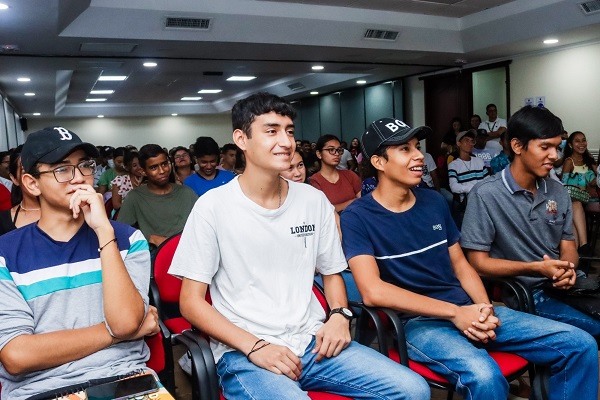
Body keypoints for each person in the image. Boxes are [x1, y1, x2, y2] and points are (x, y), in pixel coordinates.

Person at [168, 92, 430, 400]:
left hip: (312, 341)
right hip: (245, 351)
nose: (286, 141)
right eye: (271, 131)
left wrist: (339, 316)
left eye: (289, 131)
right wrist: (255, 347)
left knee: (413, 390)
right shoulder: (213, 207)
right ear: (241, 139)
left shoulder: (312, 200)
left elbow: (332, 272)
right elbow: (191, 303)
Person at [340, 117, 599, 400]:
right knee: (485, 375)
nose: (418, 156)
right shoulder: (358, 216)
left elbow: (462, 265)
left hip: (467, 308)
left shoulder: (434, 201)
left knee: (579, 344)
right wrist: (455, 313)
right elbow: (373, 291)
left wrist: (483, 307)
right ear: (379, 162)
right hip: (419, 323)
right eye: (405, 149)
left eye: (416, 146)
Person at [0, 126, 159, 400]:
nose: (79, 178)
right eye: (62, 169)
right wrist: (116, 336)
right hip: (42, 389)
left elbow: (124, 322)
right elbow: (17, 354)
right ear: (31, 183)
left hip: (125, 378)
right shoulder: (6, 253)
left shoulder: (127, 240)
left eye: (84, 166)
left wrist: (104, 231)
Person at [461, 106, 600, 338]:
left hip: (567, 287)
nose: (554, 156)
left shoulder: (558, 191)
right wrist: (536, 268)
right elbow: (477, 263)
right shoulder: (486, 194)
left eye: (557, 147)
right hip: (528, 293)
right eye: (545, 147)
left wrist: (568, 270)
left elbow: (568, 246)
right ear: (517, 146)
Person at [117, 144, 197, 248]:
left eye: (164, 164)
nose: (162, 171)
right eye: (154, 167)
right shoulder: (135, 197)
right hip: (154, 254)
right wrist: (150, 237)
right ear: (143, 171)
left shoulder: (187, 193)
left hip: (186, 250)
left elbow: (202, 226)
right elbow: (121, 231)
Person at [561, 131, 597, 254]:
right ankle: (583, 247)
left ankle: (578, 251)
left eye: (583, 140)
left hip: (591, 199)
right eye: (577, 141)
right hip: (574, 198)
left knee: (574, 208)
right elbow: (564, 184)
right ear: (570, 145)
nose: (582, 143)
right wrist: (578, 186)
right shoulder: (569, 161)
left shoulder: (589, 160)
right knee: (574, 205)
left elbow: (595, 182)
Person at [310, 135, 361, 213]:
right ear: (319, 154)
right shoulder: (315, 181)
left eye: (339, 150)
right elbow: (322, 211)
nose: (337, 154)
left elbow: (362, 202)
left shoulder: (350, 175)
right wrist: (352, 202)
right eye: (331, 150)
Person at [0, 147, 40, 235]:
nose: (36, 177)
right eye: (26, 171)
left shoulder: (71, 210)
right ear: (14, 179)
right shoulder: (3, 222)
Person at [447, 130, 489, 200]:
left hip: (483, 198)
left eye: (472, 141)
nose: (470, 143)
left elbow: (487, 180)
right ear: (458, 143)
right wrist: (474, 188)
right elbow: (454, 186)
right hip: (467, 201)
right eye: (467, 140)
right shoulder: (453, 165)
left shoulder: (479, 161)